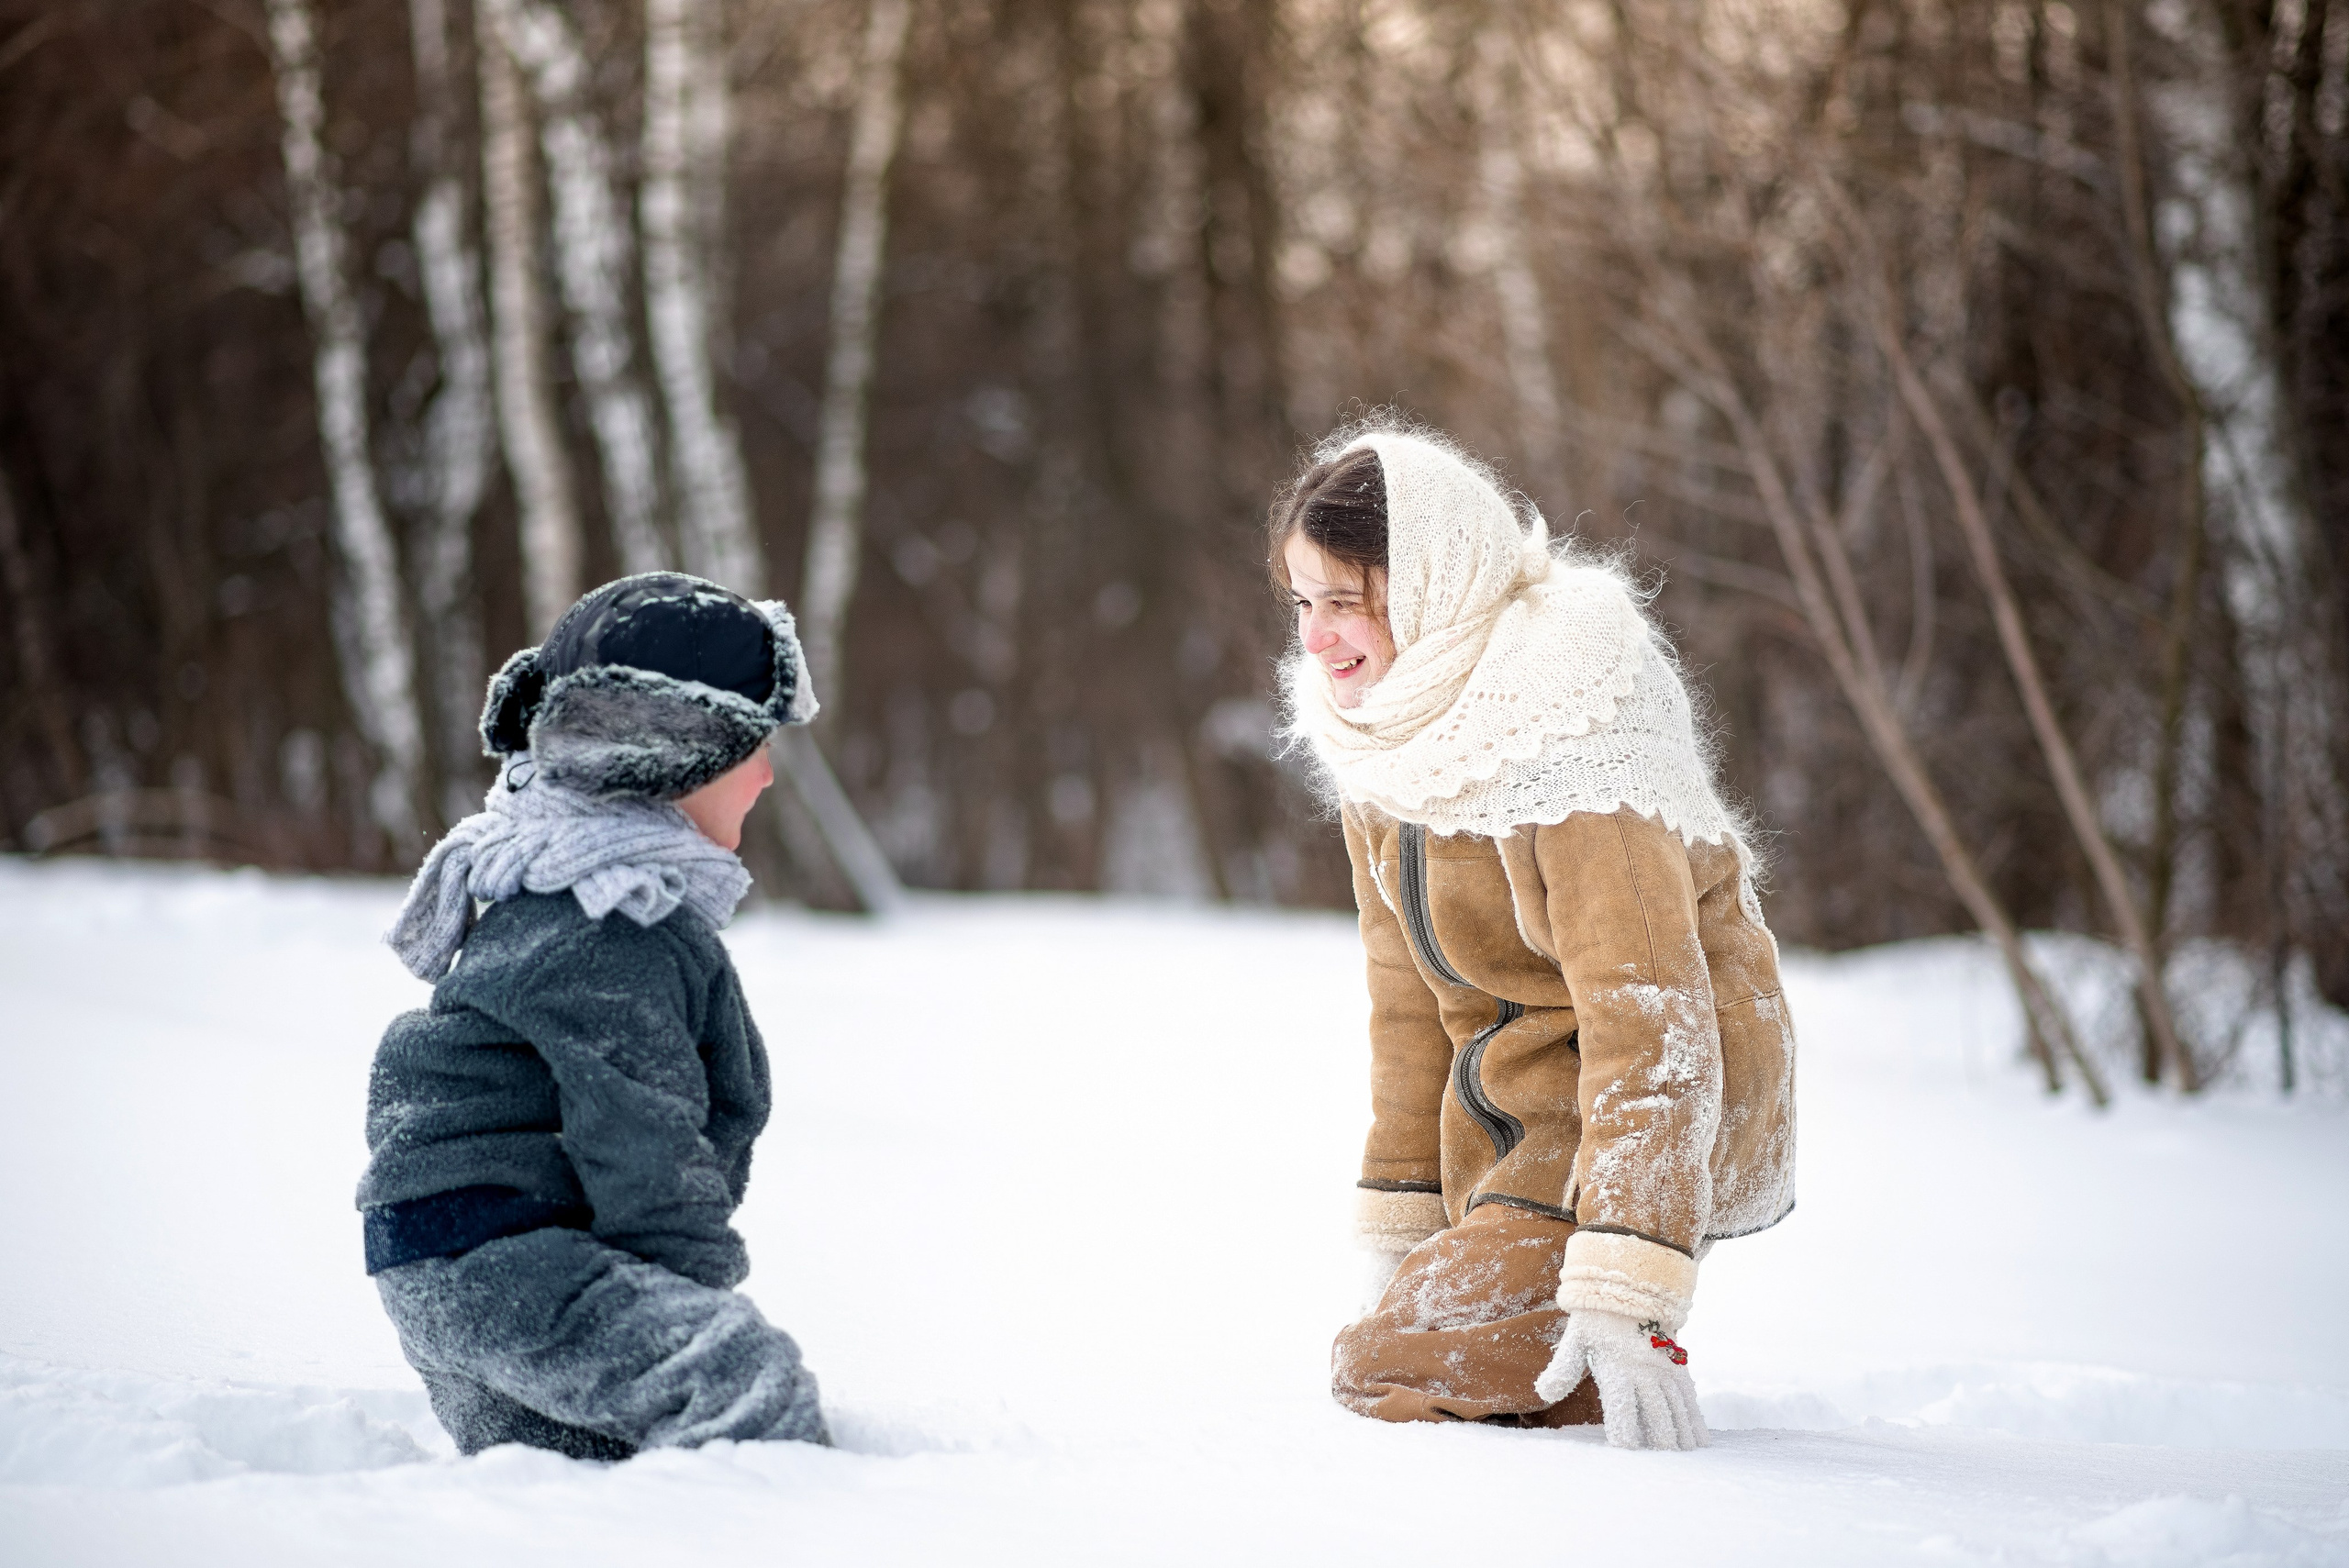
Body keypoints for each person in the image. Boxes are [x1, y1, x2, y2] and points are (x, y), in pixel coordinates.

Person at [1274, 422, 1797, 1451]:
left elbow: (1652, 1009)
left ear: (1427, 585)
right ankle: (1537, 1322)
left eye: (1345, 600)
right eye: (1303, 601)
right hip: (1512, 1114)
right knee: (1386, 1355)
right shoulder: (1381, 731)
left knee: (1388, 1367)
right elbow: (1406, 1005)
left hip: (1650, 1100)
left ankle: (1597, 1348)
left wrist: (1626, 1282)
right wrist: (1402, 1215)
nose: (1317, 637)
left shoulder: (1573, 715)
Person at [360, 572, 829, 1459]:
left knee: (598, 1461)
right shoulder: (612, 916)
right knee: (744, 1383)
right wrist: (693, 1303)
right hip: (503, 1259)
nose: (768, 775)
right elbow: (643, 1142)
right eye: (749, 748)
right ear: (671, 755)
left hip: (456, 1264)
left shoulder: (572, 887)